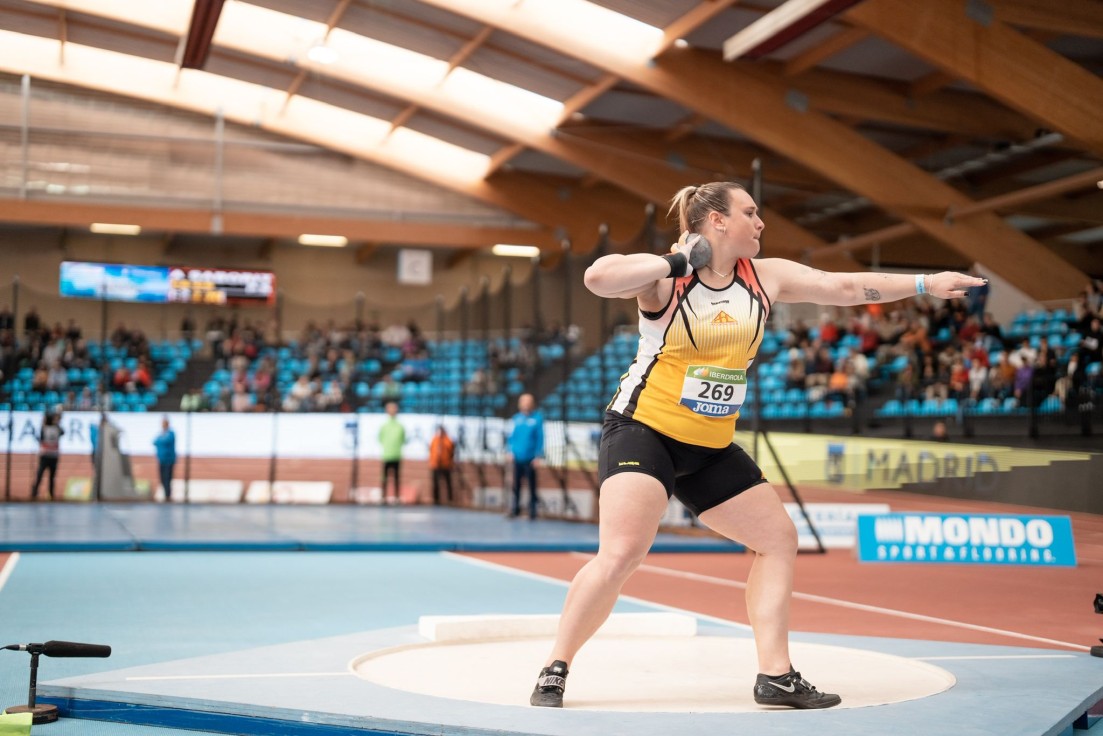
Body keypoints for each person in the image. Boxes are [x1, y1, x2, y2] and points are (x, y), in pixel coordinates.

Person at [528, 181, 986, 711]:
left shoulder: (764, 277)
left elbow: (843, 288)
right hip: (643, 429)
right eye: (751, 212)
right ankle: (556, 666)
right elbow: (598, 277)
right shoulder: (666, 280)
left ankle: (776, 676)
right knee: (623, 552)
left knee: (777, 539)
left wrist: (926, 283)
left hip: (710, 445)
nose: (761, 222)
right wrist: (675, 262)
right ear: (718, 221)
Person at [507, 393, 544, 520]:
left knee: (532, 485)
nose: (525, 404)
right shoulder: (516, 418)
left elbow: (540, 438)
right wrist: (510, 451)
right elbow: (511, 437)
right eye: (523, 401)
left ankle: (532, 511)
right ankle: (515, 508)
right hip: (517, 457)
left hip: (530, 458)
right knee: (516, 484)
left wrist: (538, 455)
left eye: (528, 401)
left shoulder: (537, 419)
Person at [31, 410, 64, 501]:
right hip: (49, 455)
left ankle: (47, 493)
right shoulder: (51, 428)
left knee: (47, 475)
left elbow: (62, 432)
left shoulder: (48, 428)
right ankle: (40, 492)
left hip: (49, 455)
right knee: (43, 475)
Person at [378, 400, 406, 505]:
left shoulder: (400, 426)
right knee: (384, 478)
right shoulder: (384, 426)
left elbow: (403, 439)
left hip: (397, 454)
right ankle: (383, 497)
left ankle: (397, 497)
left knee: (397, 478)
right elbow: (380, 438)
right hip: (386, 455)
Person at [428, 425, 455, 506]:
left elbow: (451, 450)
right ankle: (436, 500)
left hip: (446, 465)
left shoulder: (448, 440)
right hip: (436, 464)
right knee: (435, 483)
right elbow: (431, 450)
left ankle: (450, 500)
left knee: (448, 483)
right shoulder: (435, 439)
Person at [153, 417, 177, 502]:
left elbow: (164, 441)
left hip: (169, 460)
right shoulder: (161, 434)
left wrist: (161, 439)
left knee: (167, 478)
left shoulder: (171, 433)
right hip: (161, 459)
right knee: (162, 478)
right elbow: (154, 442)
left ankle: (168, 496)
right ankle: (166, 494)